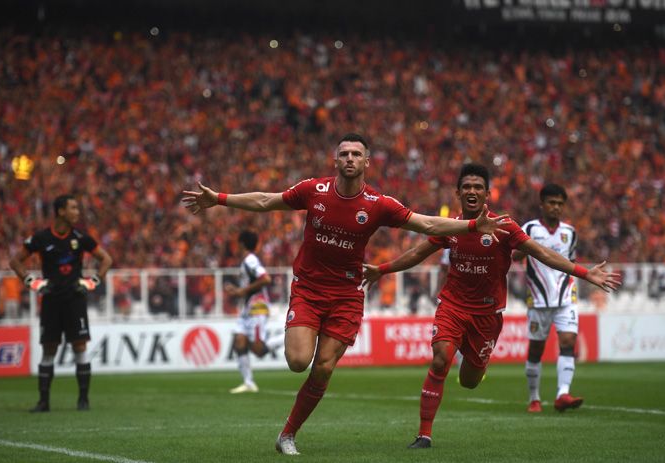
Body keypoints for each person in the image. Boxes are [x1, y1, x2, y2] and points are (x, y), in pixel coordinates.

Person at [181, 133, 511, 455]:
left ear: (366, 162)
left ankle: (287, 435)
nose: (350, 159)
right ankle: (290, 429)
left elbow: (427, 225)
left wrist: (470, 227)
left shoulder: (379, 204)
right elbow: (267, 201)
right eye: (344, 154)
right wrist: (219, 199)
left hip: (346, 296)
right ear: (335, 160)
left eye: (356, 154)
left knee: (323, 368)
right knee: (298, 361)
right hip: (308, 290)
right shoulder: (314, 191)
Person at [362, 164, 620, 449]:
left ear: (487, 193)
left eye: (477, 187)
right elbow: (417, 253)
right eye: (467, 187)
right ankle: (424, 435)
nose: (472, 191)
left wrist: (585, 273)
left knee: (469, 381)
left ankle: (477, 365)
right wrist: (382, 269)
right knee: (440, 358)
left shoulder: (505, 227)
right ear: (458, 192)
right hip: (453, 306)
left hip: (487, 314)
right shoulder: (451, 228)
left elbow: (542, 253)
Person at [9, 194, 112, 412]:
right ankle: (43, 401)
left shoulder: (81, 237)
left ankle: (83, 400)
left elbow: (106, 259)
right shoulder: (41, 238)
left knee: (80, 347)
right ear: (61, 211)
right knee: (49, 349)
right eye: (73, 208)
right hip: (51, 300)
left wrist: (92, 282)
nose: (78, 212)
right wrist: (32, 282)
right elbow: (15, 261)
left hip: (75, 299)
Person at [517, 184, 587, 413]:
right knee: (536, 349)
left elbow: (572, 261)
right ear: (542, 204)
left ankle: (562, 394)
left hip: (566, 297)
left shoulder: (570, 233)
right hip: (538, 300)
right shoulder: (530, 228)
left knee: (568, 342)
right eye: (551, 203)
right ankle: (534, 398)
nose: (556, 207)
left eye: (559, 203)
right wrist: (524, 249)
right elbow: (515, 255)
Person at [226, 230, 278, 394]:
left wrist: (242, 291)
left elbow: (266, 278)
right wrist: (239, 290)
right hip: (248, 307)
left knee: (258, 350)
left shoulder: (250, 260)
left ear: (241, 244)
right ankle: (248, 383)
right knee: (239, 341)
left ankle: (289, 337)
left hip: (258, 307)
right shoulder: (247, 261)